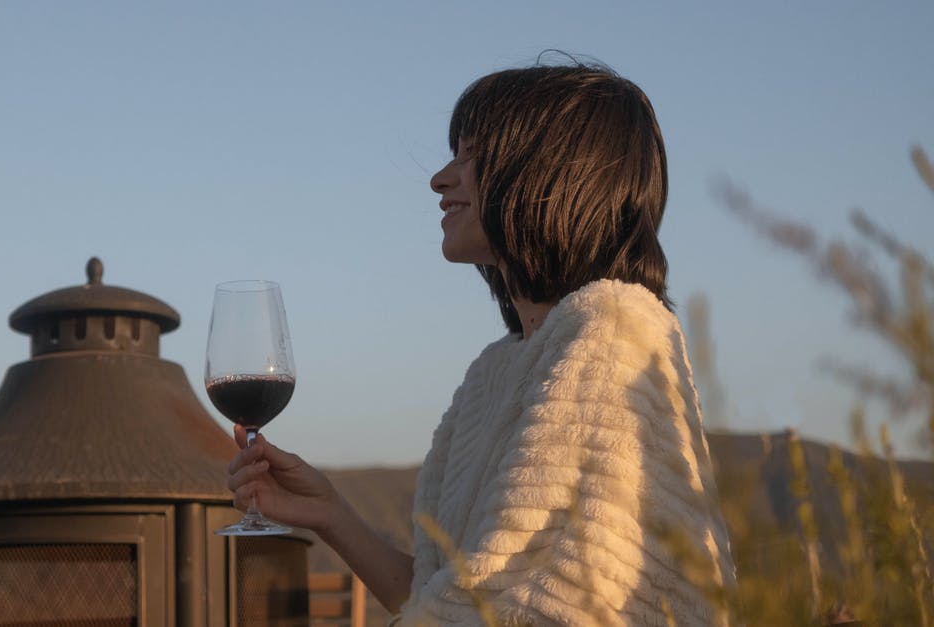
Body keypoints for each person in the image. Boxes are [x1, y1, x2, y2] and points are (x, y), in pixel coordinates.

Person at [226, 60, 737, 626]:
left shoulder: (613, 332)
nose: (440, 179)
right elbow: (450, 599)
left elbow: (547, 610)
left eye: (472, 157)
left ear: (546, 172)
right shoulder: (499, 368)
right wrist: (328, 513)